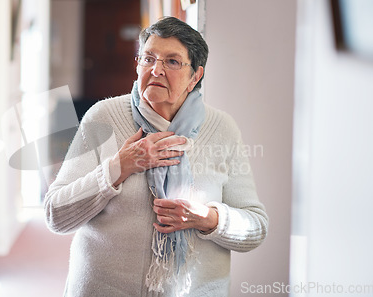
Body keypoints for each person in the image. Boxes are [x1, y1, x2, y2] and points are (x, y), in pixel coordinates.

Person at [44, 16, 268, 297]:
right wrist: (118, 168)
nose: (156, 70)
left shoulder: (222, 129)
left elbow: (256, 227)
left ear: (195, 77)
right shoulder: (102, 118)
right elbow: (56, 214)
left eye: (172, 62)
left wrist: (208, 218)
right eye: (148, 58)